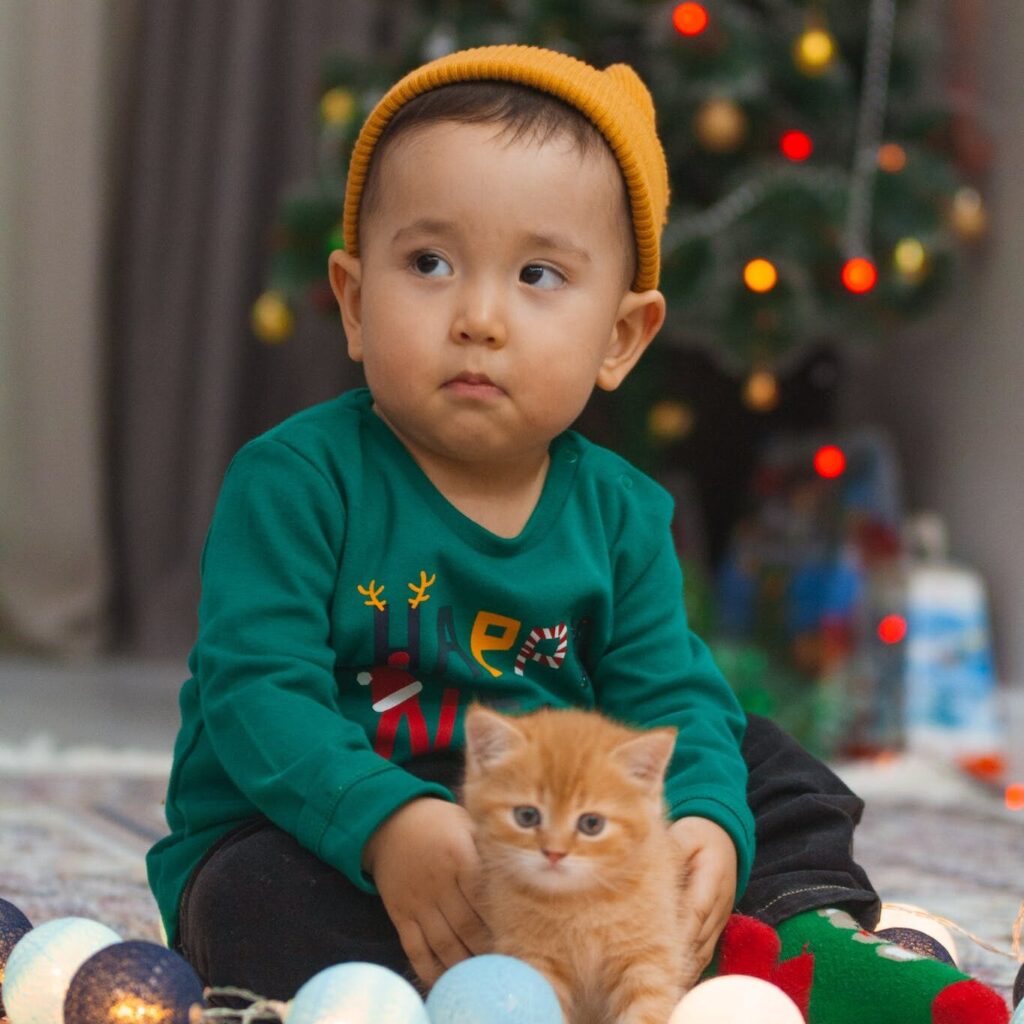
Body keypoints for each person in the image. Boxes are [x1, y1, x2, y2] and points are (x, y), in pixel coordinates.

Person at [146, 45, 878, 1002]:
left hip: (562, 838)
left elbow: (669, 696)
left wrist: (704, 822)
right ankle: (433, 992)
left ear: (621, 337)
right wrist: (386, 822)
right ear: (356, 304)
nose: (479, 317)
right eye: (430, 263)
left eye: (537, 274)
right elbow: (255, 693)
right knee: (258, 898)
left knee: (761, 769)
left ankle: (792, 940)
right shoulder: (294, 481)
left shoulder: (621, 512)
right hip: (332, 827)